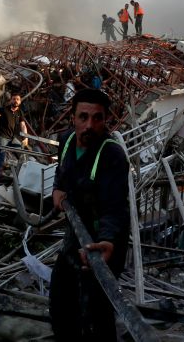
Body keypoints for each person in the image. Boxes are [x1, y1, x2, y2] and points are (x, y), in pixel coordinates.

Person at [50, 89, 130, 341]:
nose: (89, 125)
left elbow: (114, 206)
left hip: (104, 240)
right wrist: (57, 190)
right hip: (75, 231)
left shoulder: (112, 155)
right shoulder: (65, 141)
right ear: (72, 117)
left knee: (97, 309)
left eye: (97, 118)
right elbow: (62, 174)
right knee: (62, 301)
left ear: (106, 120)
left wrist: (107, 241)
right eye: (83, 117)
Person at [0, 93, 28, 185]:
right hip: (1, 137)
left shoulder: (20, 112)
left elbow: (23, 125)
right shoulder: (3, 110)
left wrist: (25, 137)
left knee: (22, 157)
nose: (15, 101)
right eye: (14, 99)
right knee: (1, 157)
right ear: (11, 100)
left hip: (13, 138)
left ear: (20, 102)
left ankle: (20, 183)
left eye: (17, 99)